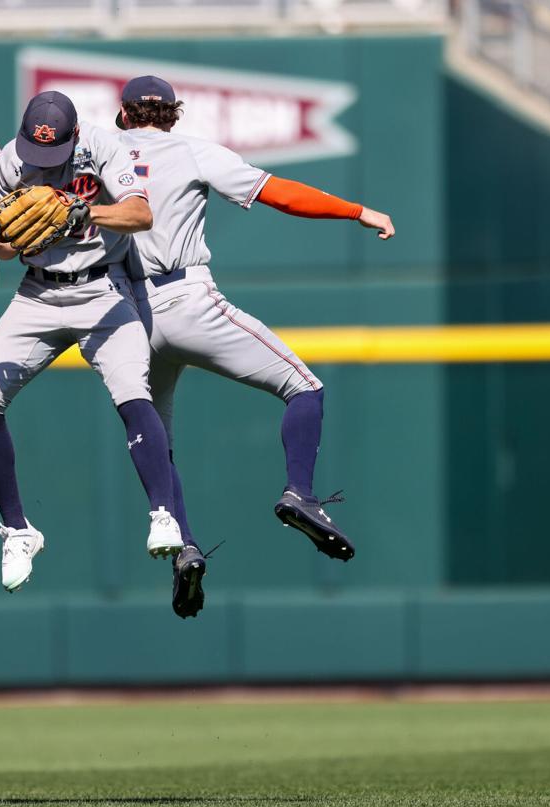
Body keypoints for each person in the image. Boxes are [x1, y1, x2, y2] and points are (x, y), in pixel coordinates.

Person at [113, 76, 395, 618]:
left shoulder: (98, 151)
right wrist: (357, 211)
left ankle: (185, 546)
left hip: (129, 314)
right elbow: (281, 195)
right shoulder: (194, 150)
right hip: (187, 297)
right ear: (173, 114)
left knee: (155, 439)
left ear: (123, 114)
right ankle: (299, 494)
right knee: (303, 387)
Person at [0, 90, 185, 593]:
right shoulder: (9, 158)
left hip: (103, 289)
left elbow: (139, 214)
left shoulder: (104, 146)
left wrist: (83, 213)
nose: (42, 160)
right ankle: (18, 530)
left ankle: (163, 514)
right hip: (38, 293)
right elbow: (3, 242)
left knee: (133, 393)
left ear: (75, 134)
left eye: (53, 150)